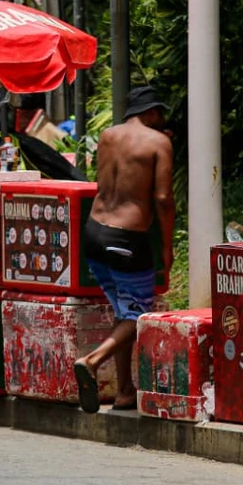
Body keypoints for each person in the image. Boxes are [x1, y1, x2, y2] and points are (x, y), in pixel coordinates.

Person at [73, 85, 175, 413]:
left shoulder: (106, 136)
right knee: (140, 313)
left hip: (93, 233)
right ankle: (91, 360)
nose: (162, 120)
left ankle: (125, 392)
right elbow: (162, 198)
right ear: (149, 112)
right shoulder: (159, 143)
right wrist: (167, 248)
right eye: (159, 112)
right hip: (126, 240)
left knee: (122, 312)